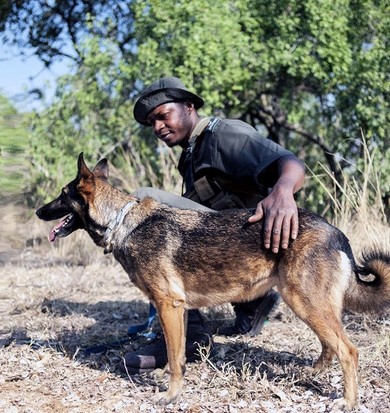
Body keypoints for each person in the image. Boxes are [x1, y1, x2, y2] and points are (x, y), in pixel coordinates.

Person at [123, 77, 306, 374]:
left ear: (189, 107)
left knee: (145, 200)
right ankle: (251, 304)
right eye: (151, 123)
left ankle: (191, 336)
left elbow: (290, 163)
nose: (157, 127)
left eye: (162, 116)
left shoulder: (224, 134)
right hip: (236, 249)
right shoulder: (190, 154)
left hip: (260, 243)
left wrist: (283, 192)